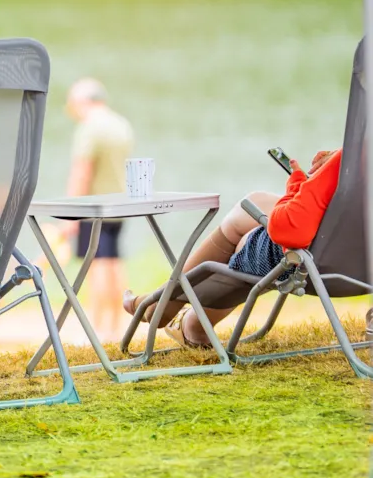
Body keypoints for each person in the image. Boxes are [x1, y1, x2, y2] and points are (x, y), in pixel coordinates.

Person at [123, 148, 342, 347]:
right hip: (358, 261)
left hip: (314, 257)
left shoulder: (356, 149)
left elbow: (289, 231)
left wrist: (299, 186)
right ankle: (186, 320)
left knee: (247, 226)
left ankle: (161, 304)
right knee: (254, 204)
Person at [61, 78, 134, 338]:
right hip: (119, 204)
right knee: (114, 262)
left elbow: (82, 171)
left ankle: (98, 326)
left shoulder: (90, 128)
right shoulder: (121, 125)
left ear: (83, 102)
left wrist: (70, 215)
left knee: (96, 266)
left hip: (93, 207)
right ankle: (118, 323)